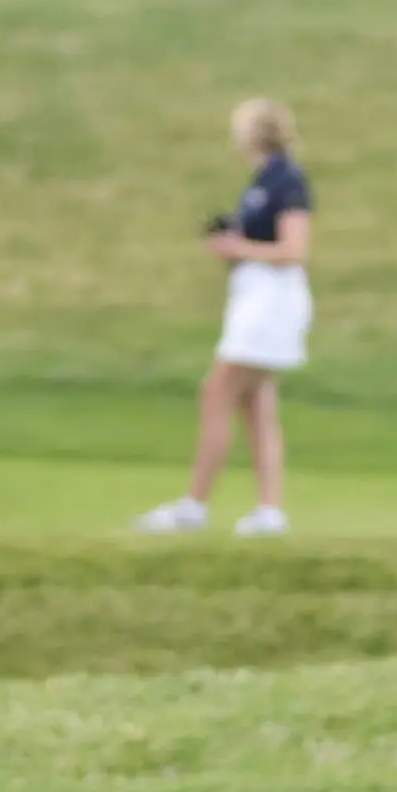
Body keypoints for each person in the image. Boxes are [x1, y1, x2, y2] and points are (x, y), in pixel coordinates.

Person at [141, 97, 312, 536]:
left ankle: (195, 505)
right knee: (257, 404)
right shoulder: (261, 182)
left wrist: (242, 250)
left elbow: (295, 250)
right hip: (253, 294)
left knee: (217, 391)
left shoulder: (287, 180)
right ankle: (270, 511)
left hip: (271, 302)